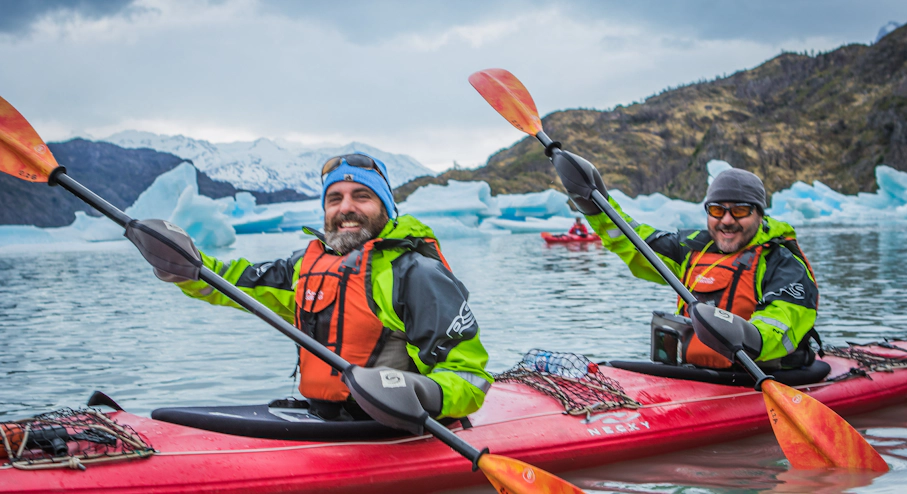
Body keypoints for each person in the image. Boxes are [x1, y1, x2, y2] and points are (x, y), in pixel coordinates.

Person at [157, 153, 493, 422]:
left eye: (362, 196)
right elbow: (236, 281)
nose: (346, 208)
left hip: (396, 430)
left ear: (386, 209)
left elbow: (468, 375)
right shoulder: (305, 266)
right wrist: (187, 267)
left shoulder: (417, 274)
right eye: (335, 199)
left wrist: (421, 391)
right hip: (324, 421)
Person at [554, 153, 819, 370]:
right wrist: (592, 204)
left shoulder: (783, 262)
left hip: (764, 375)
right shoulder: (692, 248)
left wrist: (746, 337)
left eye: (739, 210)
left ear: (759, 214)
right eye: (717, 210)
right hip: (696, 373)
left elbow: (783, 323)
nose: (727, 220)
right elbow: (632, 239)